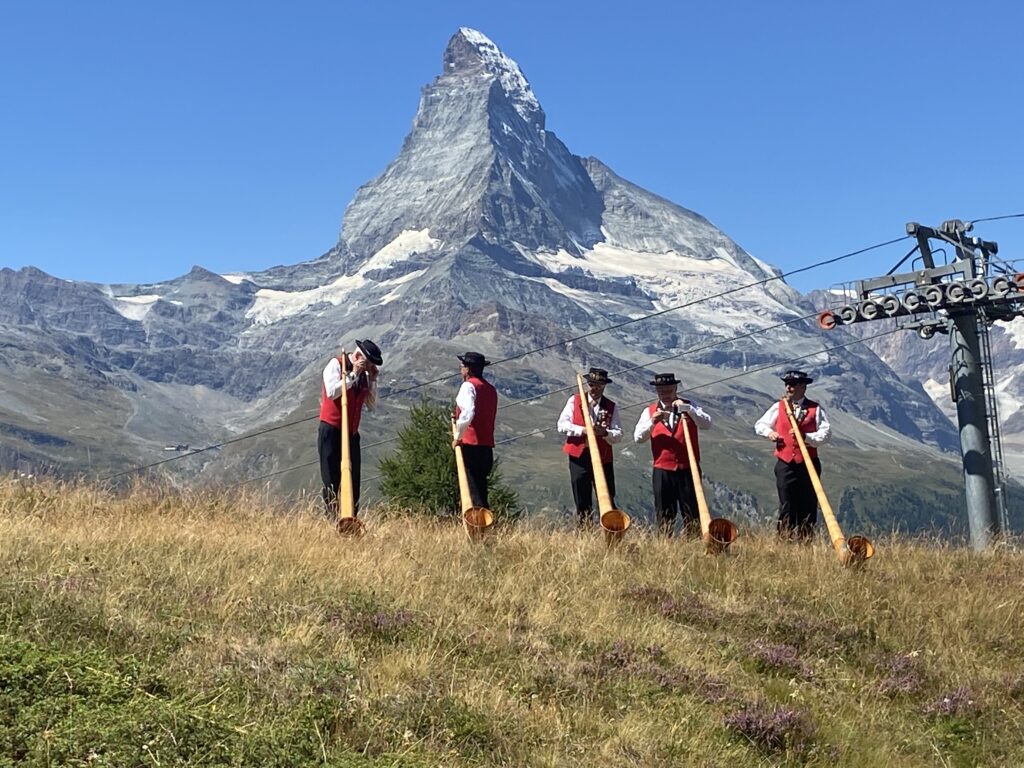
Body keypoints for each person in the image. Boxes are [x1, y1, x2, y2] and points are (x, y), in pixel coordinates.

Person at [754, 370, 832, 541]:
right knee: (787, 503)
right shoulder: (779, 406)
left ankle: (805, 540)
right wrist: (769, 433)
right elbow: (760, 424)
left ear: (803, 386)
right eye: (786, 384)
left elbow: (826, 434)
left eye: (792, 384)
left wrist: (806, 438)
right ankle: (784, 540)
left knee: (808, 502)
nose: (788, 387)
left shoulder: (815, 409)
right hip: (785, 463)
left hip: (808, 462)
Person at [633, 373, 712, 537]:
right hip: (662, 470)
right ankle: (665, 545)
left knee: (692, 510)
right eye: (662, 391)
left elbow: (706, 423)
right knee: (664, 512)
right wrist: (652, 423)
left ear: (675, 389)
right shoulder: (649, 412)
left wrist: (688, 409)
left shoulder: (689, 405)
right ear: (657, 391)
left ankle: (694, 542)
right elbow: (638, 438)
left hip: (688, 468)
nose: (666, 394)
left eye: (669, 390)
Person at [318, 339, 383, 520]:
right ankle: (333, 519)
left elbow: (371, 404)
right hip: (331, 430)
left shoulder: (364, 376)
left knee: (353, 480)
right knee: (331, 478)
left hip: (352, 434)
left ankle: (351, 519)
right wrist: (353, 375)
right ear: (358, 356)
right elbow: (332, 392)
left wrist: (373, 380)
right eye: (369, 362)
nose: (369, 366)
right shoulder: (336, 365)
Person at [556, 367, 623, 527]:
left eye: (599, 385)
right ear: (588, 384)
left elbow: (619, 434)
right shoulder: (575, 400)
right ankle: (584, 530)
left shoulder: (611, 406)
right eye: (592, 384)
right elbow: (561, 425)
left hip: (603, 457)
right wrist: (583, 430)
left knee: (608, 496)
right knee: (581, 497)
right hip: (579, 457)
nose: (595, 388)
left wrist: (605, 433)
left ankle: (612, 530)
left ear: (604, 386)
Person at [453, 351, 498, 508]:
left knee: (472, 492)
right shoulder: (491, 389)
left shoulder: (468, 386)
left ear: (468, 369)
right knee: (480, 489)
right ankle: (484, 525)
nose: (461, 369)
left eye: (462, 366)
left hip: (471, 446)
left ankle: (477, 527)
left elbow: (468, 412)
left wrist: (458, 436)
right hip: (486, 448)